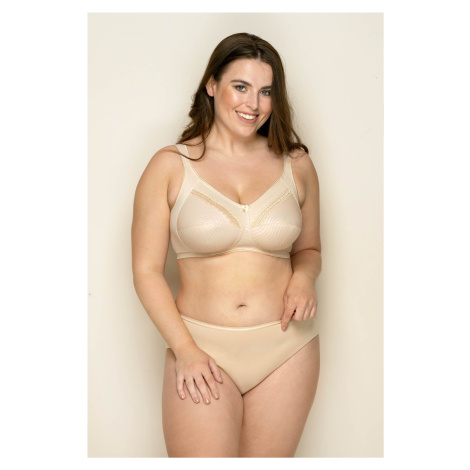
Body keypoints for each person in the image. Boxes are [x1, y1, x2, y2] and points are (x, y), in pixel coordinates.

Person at [131, 32, 322, 457]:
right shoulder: (170, 165)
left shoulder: (296, 164)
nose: (254, 104)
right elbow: (146, 271)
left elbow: (309, 251)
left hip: (287, 347)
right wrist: (185, 350)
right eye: (241, 87)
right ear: (211, 85)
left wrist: (305, 278)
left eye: (266, 91)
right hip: (201, 346)